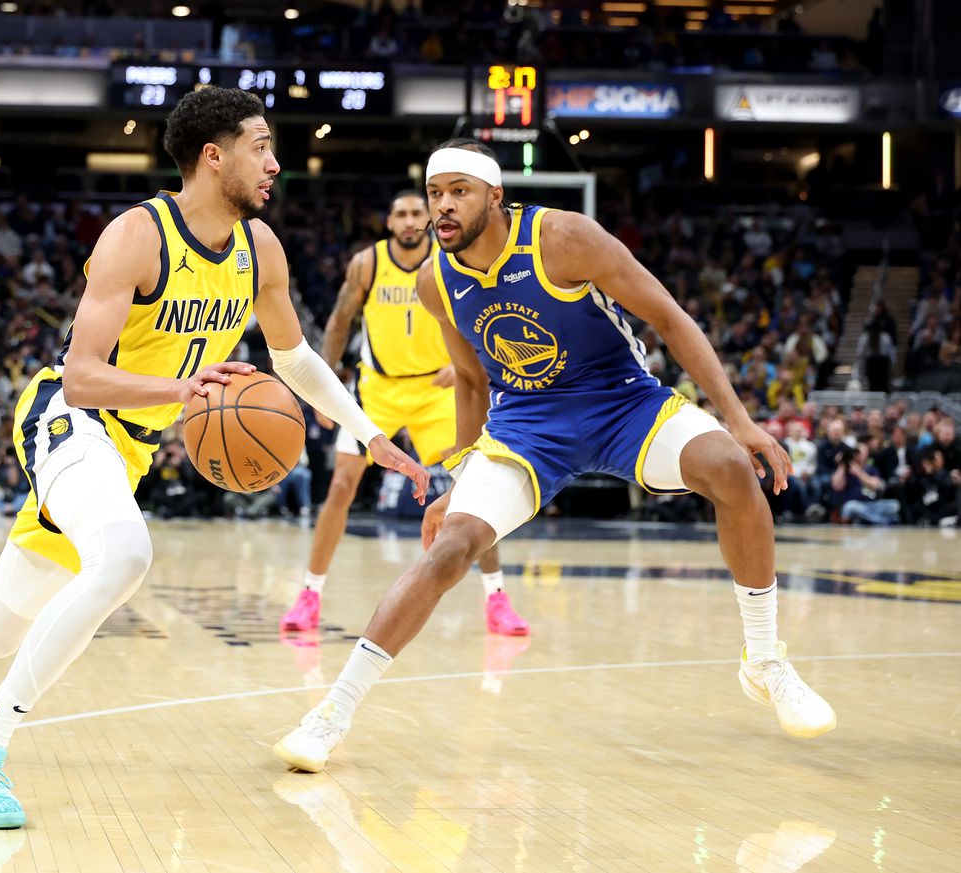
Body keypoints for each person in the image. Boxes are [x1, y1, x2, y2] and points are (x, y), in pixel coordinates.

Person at [0, 88, 426, 830]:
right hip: (69, 420)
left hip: (124, 451)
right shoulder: (137, 235)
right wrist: (183, 387)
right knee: (126, 552)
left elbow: (293, 357)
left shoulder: (261, 247)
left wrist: (364, 429)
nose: (275, 161)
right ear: (214, 155)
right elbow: (81, 374)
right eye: (261, 145)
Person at [275, 141, 836, 774]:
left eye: (459, 191)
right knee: (451, 546)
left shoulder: (565, 238)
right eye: (435, 194)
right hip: (527, 427)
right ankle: (332, 714)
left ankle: (763, 660)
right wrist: (457, 475)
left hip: (623, 403)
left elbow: (671, 319)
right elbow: (469, 380)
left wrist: (737, 418)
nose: (443, 207)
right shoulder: (437, 279)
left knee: (731, 468)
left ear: (496, 196)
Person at [280, 191, 528, 636]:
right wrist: (322, 394)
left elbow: (485, 315)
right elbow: (338, 322)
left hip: (437, 389)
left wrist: (465, 363)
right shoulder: (367, 264)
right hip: (378, 389)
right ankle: (309, 595)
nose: (411, 220)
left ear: (429, 219)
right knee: (340, 486)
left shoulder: (449, 261)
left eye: (418, 212)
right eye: (401, 214)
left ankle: (496, 599)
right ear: (390, 222)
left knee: (473, 492)